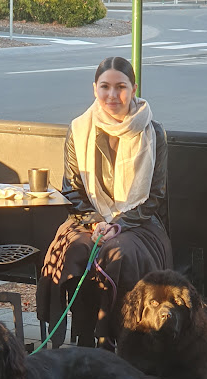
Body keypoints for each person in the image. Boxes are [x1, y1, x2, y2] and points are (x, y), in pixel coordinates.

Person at [36, 56, 172, 350]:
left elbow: (155, 197)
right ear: (94, 89)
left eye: (120, 87)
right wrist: (97, 222)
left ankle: (118, 338)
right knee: (76, 249)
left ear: (134, 89)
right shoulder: (78, 129)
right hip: (87, 219)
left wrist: (118, 225)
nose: (112, 95)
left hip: (138, 223)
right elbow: (72, 190)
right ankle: (82, 338)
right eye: (105, 87)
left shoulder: (154, 133)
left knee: (119, 253)